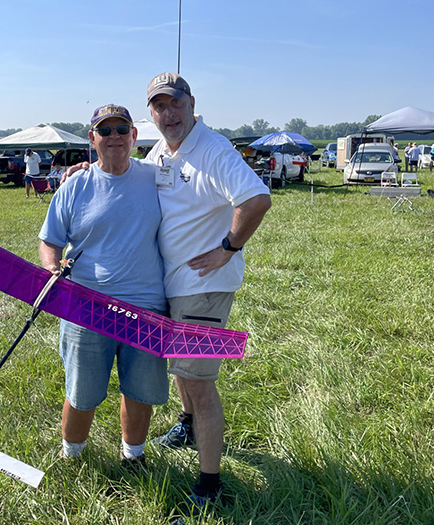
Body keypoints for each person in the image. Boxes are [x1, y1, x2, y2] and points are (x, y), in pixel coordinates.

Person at [145, 72, 271, 509]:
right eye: (159, 106)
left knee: (199, 383)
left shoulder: (213, 150)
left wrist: (228, 248)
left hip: (204, 284)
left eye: (175, 103)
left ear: (192, 103)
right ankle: (187, 426)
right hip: (174, 283)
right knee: (183, 370)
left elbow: (256, 199)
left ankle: (210, 486)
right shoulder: (161, 150)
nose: (168, 113)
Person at [38, 104, 168, 467]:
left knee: (140, 391)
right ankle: (72, 457)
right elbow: (50, 240)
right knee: (82, 393)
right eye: (105, 131)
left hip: (146, 307)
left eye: (121, 129)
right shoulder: (75, 184)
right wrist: (51, 268)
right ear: (92, 139)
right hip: (85, 306)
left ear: (134, 136)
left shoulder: (156, 177)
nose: (114, 137)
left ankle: (133, 456)